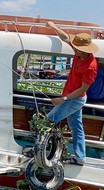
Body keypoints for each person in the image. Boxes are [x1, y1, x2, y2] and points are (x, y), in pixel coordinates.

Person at [46, 21, 99, 165]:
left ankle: (42, 151)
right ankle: (80, 158)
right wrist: (54, 26)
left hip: (75, 99)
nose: (73, 49)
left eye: (76, 48)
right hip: (72, 97)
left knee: (48, 120)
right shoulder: (79, 52)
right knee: (77, 127)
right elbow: (65, 38)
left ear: (85, 49)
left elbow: (83, 89)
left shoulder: (91, 66)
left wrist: (62, 99)